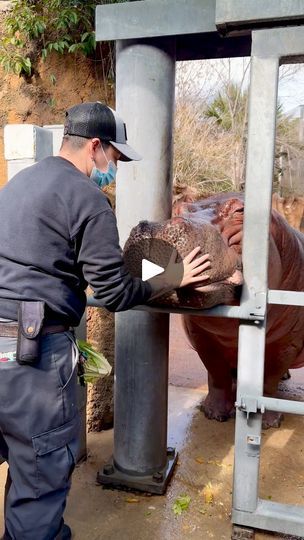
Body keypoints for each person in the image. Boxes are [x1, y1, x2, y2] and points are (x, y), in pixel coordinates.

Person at [0, 102, 211, 540]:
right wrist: (172, 277)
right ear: (95, 147)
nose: (113, 168)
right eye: (113, 158)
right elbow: (112, 291)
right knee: (40, 470)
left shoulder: (20, 183)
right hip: (33, 356)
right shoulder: (87, 198)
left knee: (17, 456)